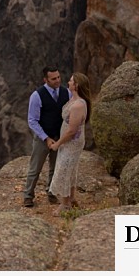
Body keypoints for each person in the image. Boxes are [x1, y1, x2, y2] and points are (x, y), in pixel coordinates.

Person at [22, 66, 69, 207]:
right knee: (35, 168)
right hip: (43, 138)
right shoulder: (37, 96)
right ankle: (28, 195)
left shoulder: (66, 93)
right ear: (45, 79)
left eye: (58, 77)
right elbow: (32, 120)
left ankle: (52, 192)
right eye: (53, 79)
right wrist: (45, 138)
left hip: (59, 136)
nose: (57, 81)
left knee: (56, 167)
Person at [47, 72, 93, 215]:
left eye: (71, 81)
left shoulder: (78, 105)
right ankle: (71, 198)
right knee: (71, 169)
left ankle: (65, 204)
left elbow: (72, 130)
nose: (68, 82)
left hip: (71, 143)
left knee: (64, 169)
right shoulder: (74, 99)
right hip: (70, 142)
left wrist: (58, 144)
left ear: (77, 85)